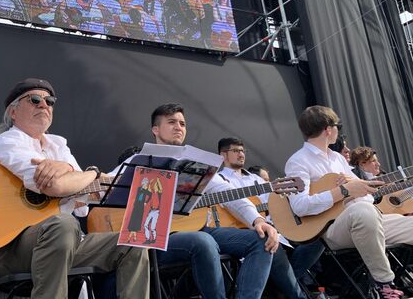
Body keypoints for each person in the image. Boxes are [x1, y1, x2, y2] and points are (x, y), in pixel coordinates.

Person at [0, 78, 149, 299]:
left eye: (50, 101)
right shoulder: (7, 142)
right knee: (63, 223)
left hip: (66, 241)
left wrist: (76, 172)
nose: (44, 105)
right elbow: (56, 186)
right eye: (35, 100)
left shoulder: (58, 145)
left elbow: (91, 192)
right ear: (13, 112)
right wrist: (89, 172)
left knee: (133, 241)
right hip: (12, 248)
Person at [149, 103, 278, 298]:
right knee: (204, 241)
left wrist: (257, 220)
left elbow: (228, 192)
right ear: (155, 130)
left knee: (261, 239)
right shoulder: (138, 160)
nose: (179, 127)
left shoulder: (194, 161)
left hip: (198, 229)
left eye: (183, 123)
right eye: (172, 122)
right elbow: (108, 186)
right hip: (158, 237)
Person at [285, 105, 413, 298]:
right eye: (338, 126)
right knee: (363, 211)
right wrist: (343, 191)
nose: (338, 131)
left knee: (369, 210)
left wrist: (357, 189)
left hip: (368, 221)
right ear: (328, 129)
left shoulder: (337, 158)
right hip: (334, 229)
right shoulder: (298, 161)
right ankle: (385, 284)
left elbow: (366, 196)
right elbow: (300, 206)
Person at [217, 137, 324, 298]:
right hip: (242, 234)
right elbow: (231, 206)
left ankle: (282, 286)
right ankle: (293, 293)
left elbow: (273, 204)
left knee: (318, 238)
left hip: (272, 230)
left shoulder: (257, 180)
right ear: (223, 155)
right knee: (270, 245)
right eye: (236, 151)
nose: (241, 154)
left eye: (242, 151)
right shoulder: (218, 179)